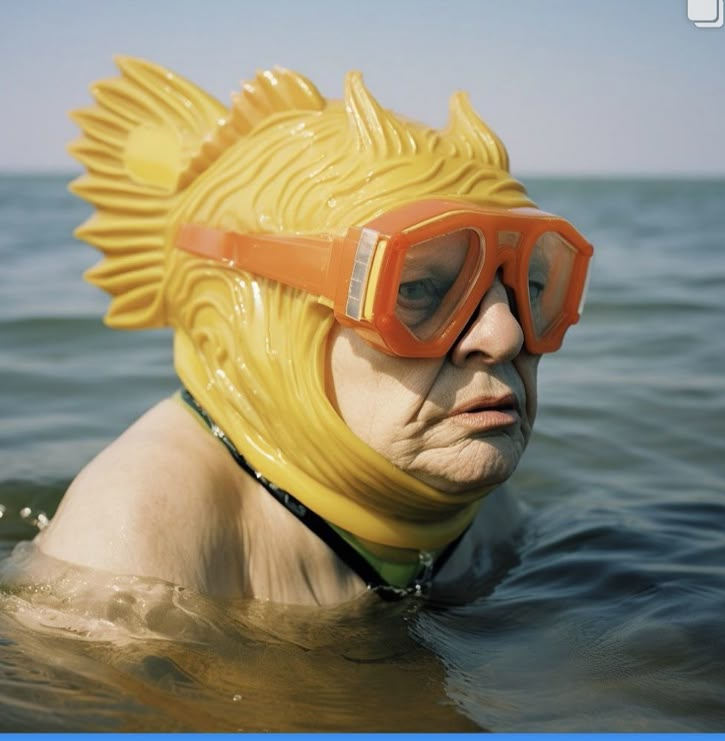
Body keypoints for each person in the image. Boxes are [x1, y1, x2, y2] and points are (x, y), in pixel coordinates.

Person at [33, 57, 593, 606]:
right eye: (416, 289)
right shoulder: (133, 544)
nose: (506, 335)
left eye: (531, 288)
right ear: (258, 313)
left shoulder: (474, 496)